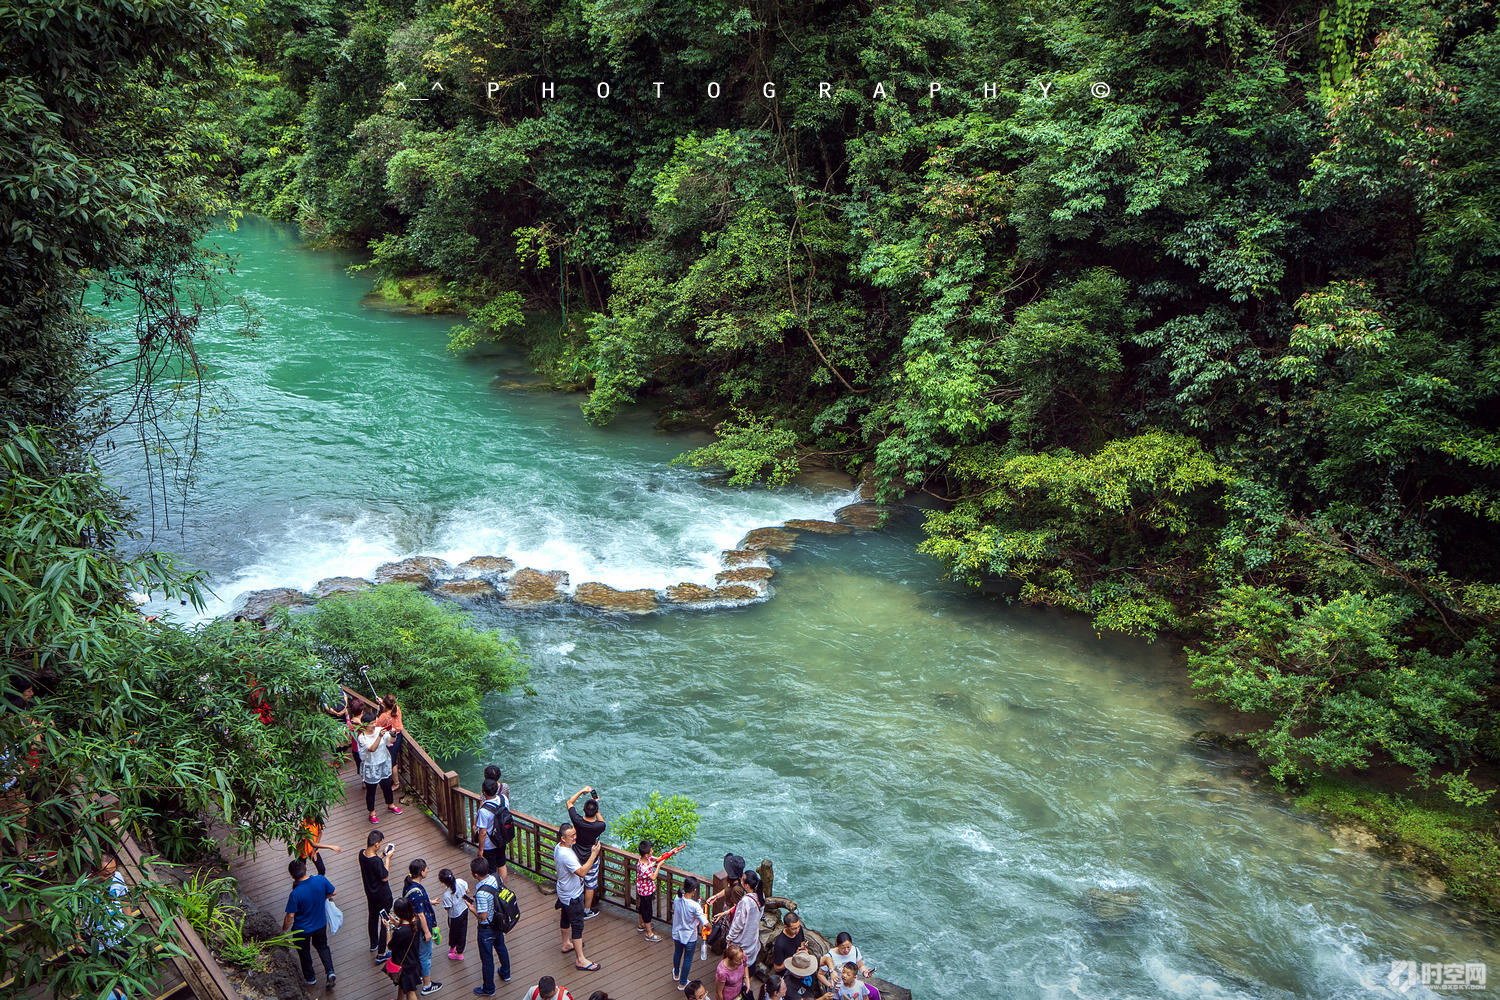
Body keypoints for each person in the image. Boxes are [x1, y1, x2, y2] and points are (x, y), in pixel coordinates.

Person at [553, 822, 601, 972]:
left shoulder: (559, 848)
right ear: (562, 838)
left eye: (575, 834)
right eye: (571, 836)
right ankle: (580, 959)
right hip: (572, 894)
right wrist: (593, 855)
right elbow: (582, 872)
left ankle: (566, 943)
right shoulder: (566, 855)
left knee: (565, 917)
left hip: (563, 891)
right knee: (578, 925)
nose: (575, 838)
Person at [281, 858, 336, 988]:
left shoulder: (295, 894)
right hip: (320, 923)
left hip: (302, 929)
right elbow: (332, 892)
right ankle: (330, 972)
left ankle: (310, 978)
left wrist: (283, 929)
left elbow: (290, 915)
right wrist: (322, 898)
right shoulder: (320, 880)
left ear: (292, 875)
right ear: (305, 869)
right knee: (323, 947)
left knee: (304, 952)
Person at [466, 856, 511, 996]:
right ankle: (506, 973)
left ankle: (489, 989)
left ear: (475, 874)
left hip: (487, 928)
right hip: (498, 921)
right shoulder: (495, 878)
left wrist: (472, 908)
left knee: (487, 959)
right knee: (501, 947)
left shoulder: (481, 893)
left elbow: (483, 916)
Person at [565, 787, 606, 918]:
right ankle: (586, 911)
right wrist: (596, 806)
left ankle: (572, 905)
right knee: (590, 885)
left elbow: (569, 803)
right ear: (595, 812)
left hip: (576, 855)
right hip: (591, 858)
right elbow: (602, 821)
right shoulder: (599, 826)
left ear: (583, 810)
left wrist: (582, 791)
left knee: (576, 881)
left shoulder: (577, 821)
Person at [402, 858, 442, 995]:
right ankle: (427, 985)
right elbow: (421, 915)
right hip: (421, 927)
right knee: (425, 955)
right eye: (426, 868)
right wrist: (426, 932)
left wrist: (429, 902)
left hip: (413, 926)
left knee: (418, 951)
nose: (428, 870)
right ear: (421, 872)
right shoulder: (416, 892)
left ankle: (419, 975)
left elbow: (416, 903)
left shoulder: (409, 884)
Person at [633, 838, 683, 940]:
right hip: (645, 891)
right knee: (647, 911)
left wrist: (672, 852)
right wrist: (659, 866)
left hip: (643, 890)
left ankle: (641, 925)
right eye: (651, 850)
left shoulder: (647, 859)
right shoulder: (643, 867)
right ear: (646, 854)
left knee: (642, 907)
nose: (652, 851)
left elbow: (660, 858)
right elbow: (653, 877)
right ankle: (649, 934)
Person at [358, 710, 401, 823]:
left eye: (374, 722)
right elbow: (372, 749)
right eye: (372, 723)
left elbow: (390, 741)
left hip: (383, 763)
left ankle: (390, 804)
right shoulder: (362, 737)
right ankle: (371, 812)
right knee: (371, 791)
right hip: (371, 766)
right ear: (365, 724)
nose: (374, 725)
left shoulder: (379, 730)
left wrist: (393, 735)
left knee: (387, 786)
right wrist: (379, 737)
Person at [361, 829, 396, 959]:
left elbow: (374, 864)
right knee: (384, 921)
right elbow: (384, 876)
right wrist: (387, 858)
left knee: (372, 917)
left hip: (371, 894)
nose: (380, 845)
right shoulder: (376, 861)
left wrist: (381, 855)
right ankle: (381, 953)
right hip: (383, 896)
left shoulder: (362, 854)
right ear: (376, 844)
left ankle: (373, 943)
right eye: (380, 843)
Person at [670, 875, 708, 990]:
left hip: (677, 933)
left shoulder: (677, 899)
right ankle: (682, 983)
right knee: (687, 958)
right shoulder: (695, 906)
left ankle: (676, 973)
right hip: (690, 936)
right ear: (694, 890)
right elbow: (705, 923)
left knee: (677, 953)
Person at [473, 778, 511, 883]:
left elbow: (483, 832)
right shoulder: (504, 799)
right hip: (501, 839)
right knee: (502, 864)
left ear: (484, 792)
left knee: (490, 869)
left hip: (489, 844)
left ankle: (493, 890)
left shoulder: (484, 810)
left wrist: (481, 849)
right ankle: (502, 887)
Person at [386, 898, 423, 1000]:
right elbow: (407, 929)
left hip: (405, 966)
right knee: (403, 986)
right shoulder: (416, 921)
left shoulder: (400, 932)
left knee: (410, 993)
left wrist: (388, 928)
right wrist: (397, 923)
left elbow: (389, 945)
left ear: (398, 913)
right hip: (413, 961)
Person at [726, 871, 765, 968]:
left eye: (742, 879)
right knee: (748, 966)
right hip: (752, 939)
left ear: (746, 885)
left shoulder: (745, 901)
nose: (740, 880)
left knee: (736, 965)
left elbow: (738, 924)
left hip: (742, 940)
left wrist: (729, 938)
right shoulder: (761, 896)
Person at [437, 868, 469, 962]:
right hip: (464, 910)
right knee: (463, 931)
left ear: (443, 882)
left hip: (455, 916)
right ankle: (460, 951)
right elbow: (467, 890)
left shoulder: (447, 895)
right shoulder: (460, 881)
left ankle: (454, 948)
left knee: (453, 932)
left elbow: (447, 908)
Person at [375, 694, 405, 791]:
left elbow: (377, 725)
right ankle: (395, 780)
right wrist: (382, 703)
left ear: (385, 704)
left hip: (390, 738)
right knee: (393, 757)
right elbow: (390, 710)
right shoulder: (397, 709)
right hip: (398, 736)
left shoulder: (384, 716)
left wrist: (378, 710)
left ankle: (396, 783)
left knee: (392, 761)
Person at [768, 911, 809, 977]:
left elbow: (802, 942)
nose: (797, 930)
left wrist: (803, 948)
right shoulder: (780, 944)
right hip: (787, 972)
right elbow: (777, 968)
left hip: (798, 963)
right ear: (785, 927)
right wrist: (794, 957)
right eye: (794, 929)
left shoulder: (799, 929)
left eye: (798, 927)